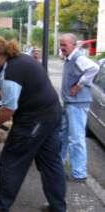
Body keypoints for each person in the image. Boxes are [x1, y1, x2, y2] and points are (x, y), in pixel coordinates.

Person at [0, 35, 66, 212]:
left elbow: (8, 109)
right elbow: (1, 88)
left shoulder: (12, 70)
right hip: (51, 114)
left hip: (34, 120)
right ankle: (58, 207)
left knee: (11, 161)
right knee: (50, 163)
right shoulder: (19, 59)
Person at [59, 33, 99, 182]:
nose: (62, 47)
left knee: (76, 139)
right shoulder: (70, 58)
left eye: (64, 45)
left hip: (77, 104)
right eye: (61, 44)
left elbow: (94, 68)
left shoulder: (78, 58)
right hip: (70, 103)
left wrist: (79, 85)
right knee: (63, 135)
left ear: (73, 45)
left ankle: (79, 173)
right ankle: (60, 165)